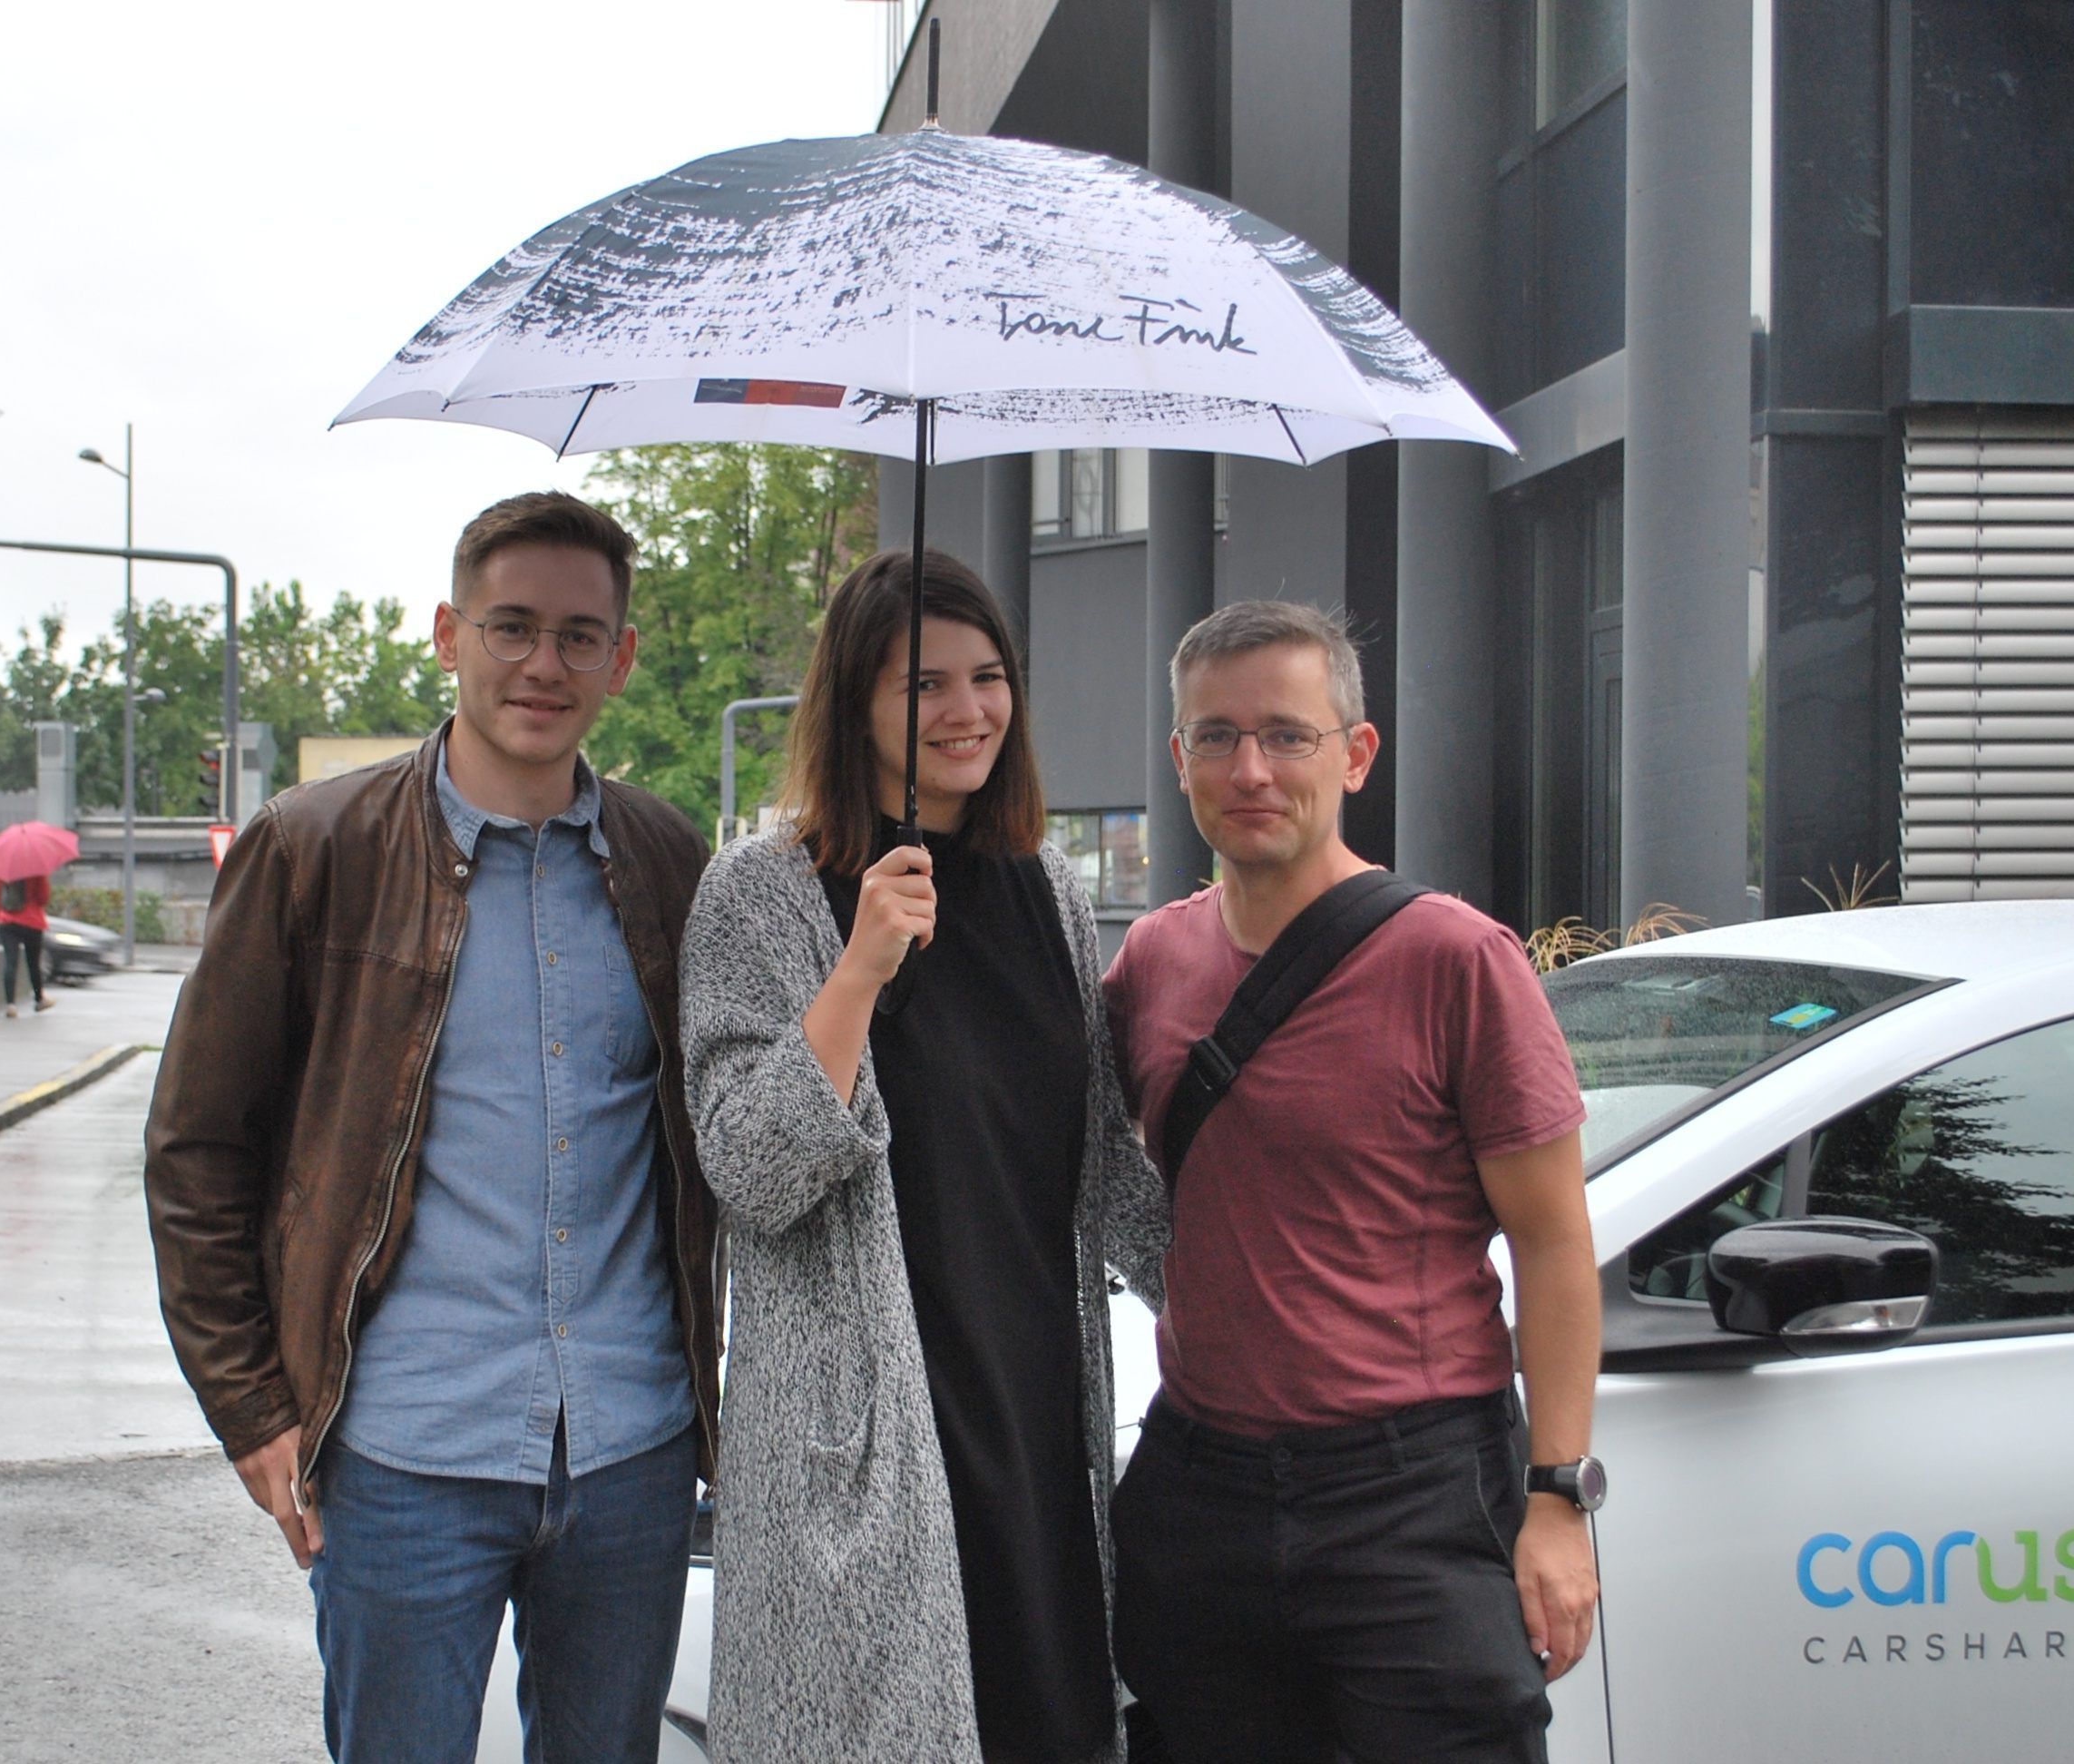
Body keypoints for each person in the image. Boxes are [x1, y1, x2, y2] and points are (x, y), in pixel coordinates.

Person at [143, 491, 719, 1764]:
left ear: (621, 658)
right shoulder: (314, 848)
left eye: (580, 636)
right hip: (401, 1452)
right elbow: (197, 1148)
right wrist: (251, 1412)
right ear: (450, 632)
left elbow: (724, 1136)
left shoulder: (670, 860)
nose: (542, 665)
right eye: (512, 627)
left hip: (629, 1446)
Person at [680, 548, 1170, 1764]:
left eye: (988, 676)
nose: (966, 711)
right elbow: (747, 1167)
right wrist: (857, 975)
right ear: (853, 703)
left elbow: (1100, 1160)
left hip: (1038, 1411)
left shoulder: (1044, 888)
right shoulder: (764, 895)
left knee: (1044, 1728)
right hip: (873, 1431)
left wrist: (1262, 1324)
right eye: (923, 686)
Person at [1102, 599, 1601, 1764]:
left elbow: (1555, 1242)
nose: (1252, 768)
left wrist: (1558, 1500)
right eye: (1216, 738)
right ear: (1180, 762)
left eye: (1288, 734)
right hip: (1199, 1486)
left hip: (1412, 1494)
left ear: (1356, 753)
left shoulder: (1455, 960)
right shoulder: (1153, 961)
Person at [0, 872, 54, 1018]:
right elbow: (44, 898)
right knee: (33, 963)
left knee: (10, 962)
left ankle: (11, 1005)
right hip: (32, 922)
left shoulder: (6, 870)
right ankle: (39, 999)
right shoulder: (38, 871)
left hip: (7, 922)